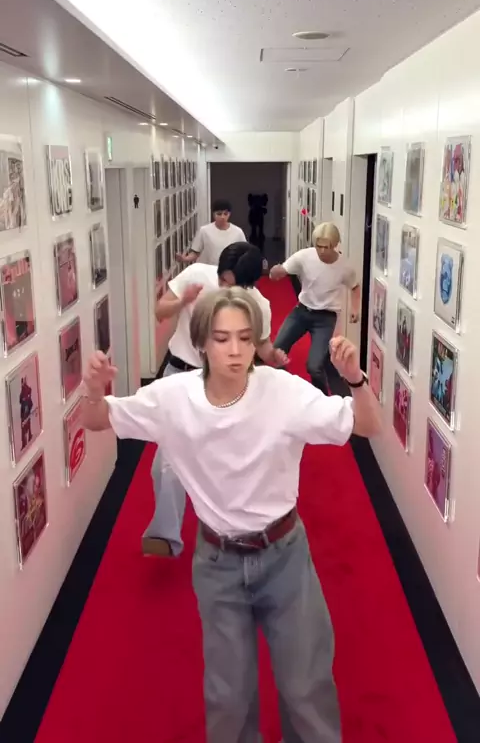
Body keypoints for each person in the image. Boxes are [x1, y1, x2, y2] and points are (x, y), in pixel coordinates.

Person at [81, 287, 381, 743]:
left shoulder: (282, 392)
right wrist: (92, 388)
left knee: (306, 686)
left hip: (284, 554)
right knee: (228, 696)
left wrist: (355, 380)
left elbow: (366, 426)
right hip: (218, 561)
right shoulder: (172, 398)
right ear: (202, 342)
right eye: (222, 339)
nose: (236, 350)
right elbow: (98, 419)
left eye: (245, 338)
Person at [143, 242, 287, 558]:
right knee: (165, 464)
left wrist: (273, 356)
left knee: (226, 461)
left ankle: (232, 530)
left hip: (225, 385)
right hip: (180, 376)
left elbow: (263, 346)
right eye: (222, 280)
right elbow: (159, 311)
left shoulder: (258, 305)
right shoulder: (196, 274)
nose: (223, 288)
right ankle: (166, 535)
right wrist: (183, 301)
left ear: (249, 284)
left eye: (232, 285)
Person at [270, 222, 361, 397]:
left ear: (335, 245)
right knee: (277, 349)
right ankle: (284, 388)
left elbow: (355, 287)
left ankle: (321, 398)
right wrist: (276, 272)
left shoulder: (344, 266)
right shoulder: (304, 256)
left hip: (325, 318)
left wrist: (355, 309)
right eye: (319, 246)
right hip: (302, 311)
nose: (322, 251)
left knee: (314, 366)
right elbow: (282, 270)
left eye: (327, 247)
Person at [176, 198, 246, 266]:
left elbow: (244, 253)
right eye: (219, 214)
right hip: (207, 270)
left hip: (228, 270)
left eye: (225, 214)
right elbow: (196, 252)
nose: (222, 217)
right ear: (213, 214)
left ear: (229, 214)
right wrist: (185, 259)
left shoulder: (238, 232)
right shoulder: (204, 230)